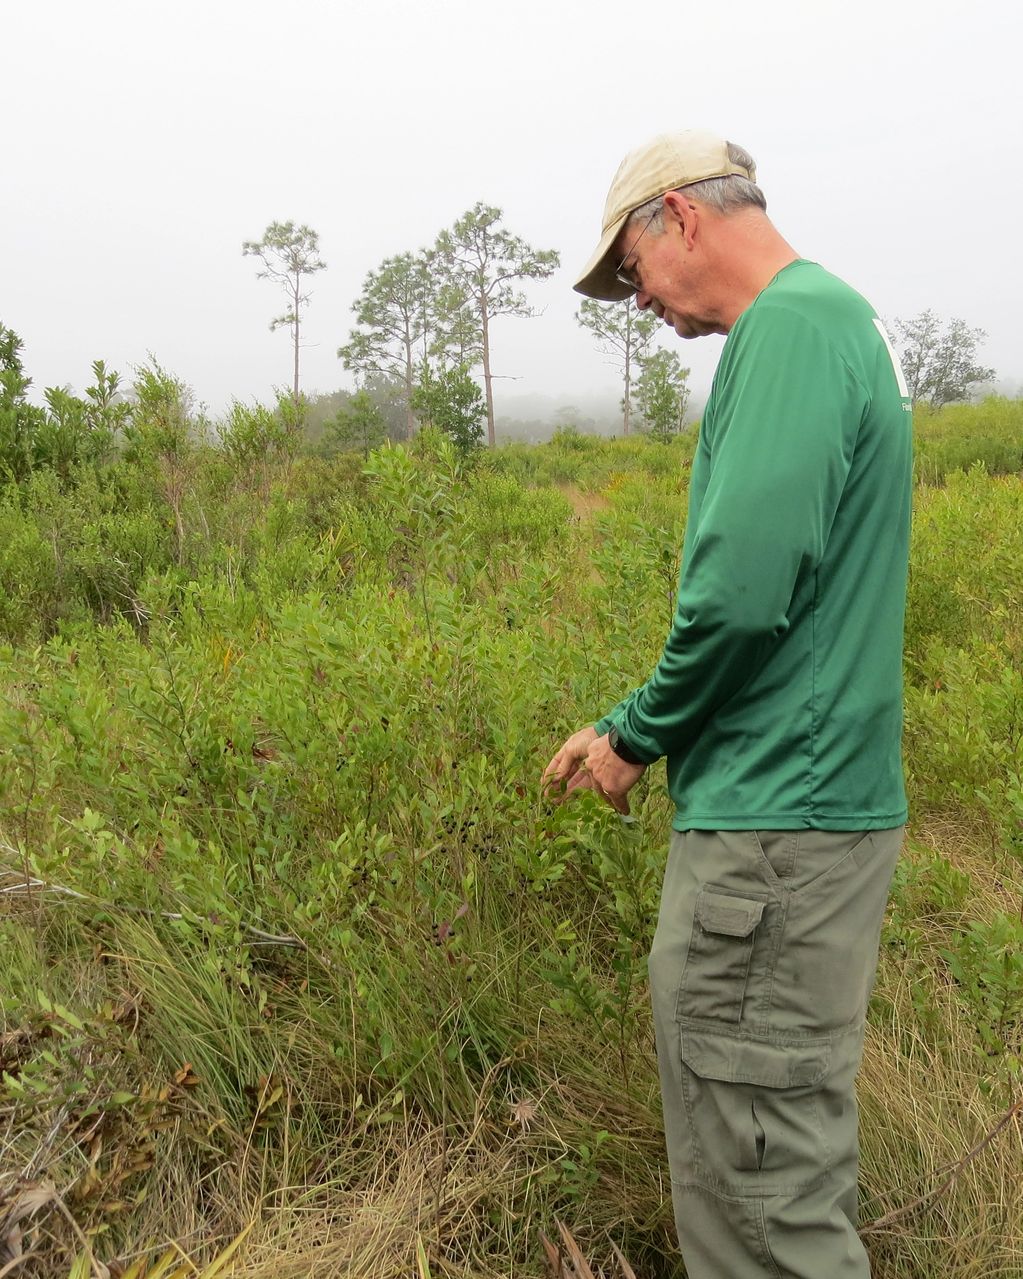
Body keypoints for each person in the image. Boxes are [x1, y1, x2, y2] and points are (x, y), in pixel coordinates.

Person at [542, 130, 912, 1278]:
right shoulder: (843, 324)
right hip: (815, 823)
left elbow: (743, 596)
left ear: (681, 218)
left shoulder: (790, 333)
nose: (638, 301)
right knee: (786, 1160)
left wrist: (632, 734)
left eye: (632, 271)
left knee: (762, 1209)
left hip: (772, 838)